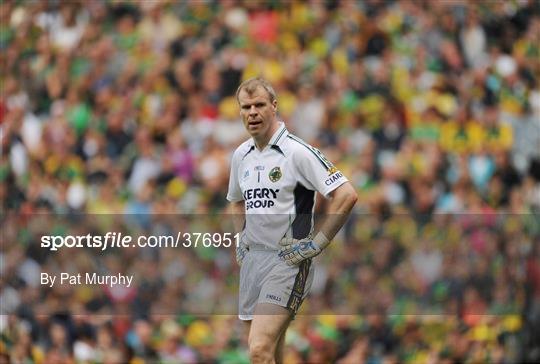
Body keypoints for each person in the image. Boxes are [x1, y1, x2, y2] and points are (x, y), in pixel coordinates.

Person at [227, 77, 358, 363]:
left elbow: (346, 194)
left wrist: (316, 244)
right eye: (246, 107)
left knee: (258, 349)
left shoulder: (297, 152)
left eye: (259, 105)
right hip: (254, 261)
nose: (252, 113)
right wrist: (240, 239)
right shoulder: (241, 155)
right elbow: (235, 201)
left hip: (287, 260)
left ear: (274, 107)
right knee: (273, 351)